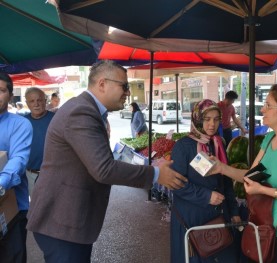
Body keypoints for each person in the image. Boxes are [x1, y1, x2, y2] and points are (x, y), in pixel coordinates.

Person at [26, 60, 187, 263]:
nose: (127, 93)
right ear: (102, 84)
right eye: (124, 86)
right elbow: (104, 169)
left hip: (68, 222)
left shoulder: (86, 109)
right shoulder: (81, 111)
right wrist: (155, 174)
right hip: (62, 223)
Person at [210, 84, 277, 262]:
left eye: (269, 105)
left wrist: (264, 190)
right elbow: (251, 176)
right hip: (263, 226)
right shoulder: (269, 139)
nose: (263, 109)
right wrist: (222, 168)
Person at [170, 99, 241, 263]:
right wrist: (207, 195)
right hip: (191, 217)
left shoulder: (218, 144)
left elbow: (226, 181)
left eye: (216, 119)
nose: (212, 124)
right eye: (207, 119)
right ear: (197, 119)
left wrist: (234, 211)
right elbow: (176, 183)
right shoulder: (183, 146)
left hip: (218, 216)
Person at [0, 72, 33, 263]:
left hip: (12, 210)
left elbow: (18, 160)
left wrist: (1, 183)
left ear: (10, 96)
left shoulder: (20, 124)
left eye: (1, 90)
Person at [24, 87, 55, 197]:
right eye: (32, 101)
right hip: (31, 174)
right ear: (27, 104)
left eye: (39, 100)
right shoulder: (23, 123)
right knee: (37, 209)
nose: (36, 104)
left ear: (45, 101)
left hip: (54, 173)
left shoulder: (56, 119)